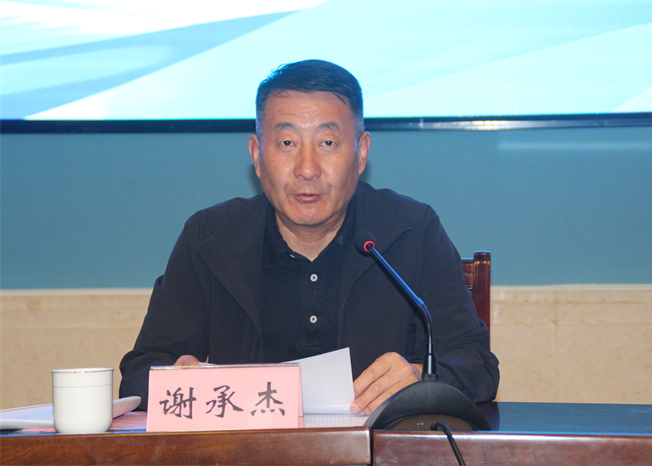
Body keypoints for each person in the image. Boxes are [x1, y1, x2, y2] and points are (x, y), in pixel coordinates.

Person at [119, 59, 499, 414]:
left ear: (361, 153)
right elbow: (140, 372)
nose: (307, 168)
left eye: (327, 143)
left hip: (374, 452)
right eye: (287, 143)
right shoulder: (209, 240)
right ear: (257, 155)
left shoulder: (412, 232)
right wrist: (172, 379)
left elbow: (476, 363)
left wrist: (423, 378)